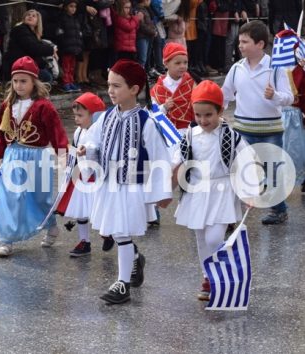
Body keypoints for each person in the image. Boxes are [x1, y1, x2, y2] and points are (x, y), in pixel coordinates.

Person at [79, 59, 173, 304]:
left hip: (132, 186)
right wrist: (86, 151)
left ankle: (123, 284)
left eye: (117, 86)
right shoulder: (107, 116)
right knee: (116, 232)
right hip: (109, 184)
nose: (110, 90)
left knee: (121, 232)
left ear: (134, 89)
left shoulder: (146, 121)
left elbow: (160, 157)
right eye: (109, 85)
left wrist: (162, 191)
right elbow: (95, 142)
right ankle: (134, 260)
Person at [172, 80, 250, 301]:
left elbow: (247, 162)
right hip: (196, 191)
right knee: (201, 237)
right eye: (198, 115)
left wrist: (251, 191)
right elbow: (174, 162)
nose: (203, 120)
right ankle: (208, 276)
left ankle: (222, 272)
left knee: (215, 237)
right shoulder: (188, 136)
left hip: (222, 190)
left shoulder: (231, 136)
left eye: (208, 115)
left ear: (220, 110)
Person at [220, 20, 293, 225]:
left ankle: (279, 210)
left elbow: (289, 98)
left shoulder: (275, 68)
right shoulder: (236, 68)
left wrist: (275, 96)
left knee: (271, 172)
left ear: (260, 44)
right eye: (239, 42)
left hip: (270, 129)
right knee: (239, 172)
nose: (240, 45)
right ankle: (230, 216)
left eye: (245, 42)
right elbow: (225, 95)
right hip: (243, 129)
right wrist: (216, 112)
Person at [0, 56, 69, 257]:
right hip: (13, 155)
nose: (19, 85)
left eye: (23, 81)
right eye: (15, 81)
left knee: (39, 197)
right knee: (10, 197)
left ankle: (51, 225)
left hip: (37, 156)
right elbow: (2, 132)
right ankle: (7, 239)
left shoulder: (43, 106)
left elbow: (56, 131)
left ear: (33, 82)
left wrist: (62, 153)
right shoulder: (7, 105)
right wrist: (1, 153)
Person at [61, 92, 113, 257]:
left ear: (95, 116)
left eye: (81, 116)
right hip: (82, 176)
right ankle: (84, 241)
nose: (77, 119)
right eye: (75, 115)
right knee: (82, 211)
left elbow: (98, 149)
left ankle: (107, 234)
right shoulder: (78, 132)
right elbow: (76, 149)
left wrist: (87, 150)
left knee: (99, 210)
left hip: (96, 178)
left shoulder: (102, 132)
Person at [280, 32, 305, 192]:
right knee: (278, 148)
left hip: (293, 116)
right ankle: (278, 181)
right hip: (276, 115)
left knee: (295, 149)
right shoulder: (271, 69)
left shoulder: (300, 72)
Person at [150, 42, 195, 138]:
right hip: (166, 135)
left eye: (185, 62)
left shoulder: (192, 84)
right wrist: (164, 107)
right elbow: (152, 114)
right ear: (166, 64)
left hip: (189, 132)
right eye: (178, 63)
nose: (183, 66)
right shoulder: (158, 89)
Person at [2, 9, 57, 83]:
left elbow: (35, 53)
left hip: (24, 64)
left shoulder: (32, 34)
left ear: (38, 22)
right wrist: (51, 50)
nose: (30, 16)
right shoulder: (21, 29)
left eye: (33, 16)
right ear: (24, 18)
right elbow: (33, 48)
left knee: (48, 74)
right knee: (46, 77)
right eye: (28, 15)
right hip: (18, 66)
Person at [56, 0, 84, 93]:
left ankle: (71, 81)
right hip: (66, 48)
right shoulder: (62, 18)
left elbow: (78, 35)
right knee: (66, 66)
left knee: (72, 66)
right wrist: (63, 45)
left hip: (74, 48)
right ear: (66, 7)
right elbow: (59, 34)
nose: (73, 9)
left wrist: (78, 46)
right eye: (71, 6)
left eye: (74, 7)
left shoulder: (75, 19)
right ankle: (65, 82)